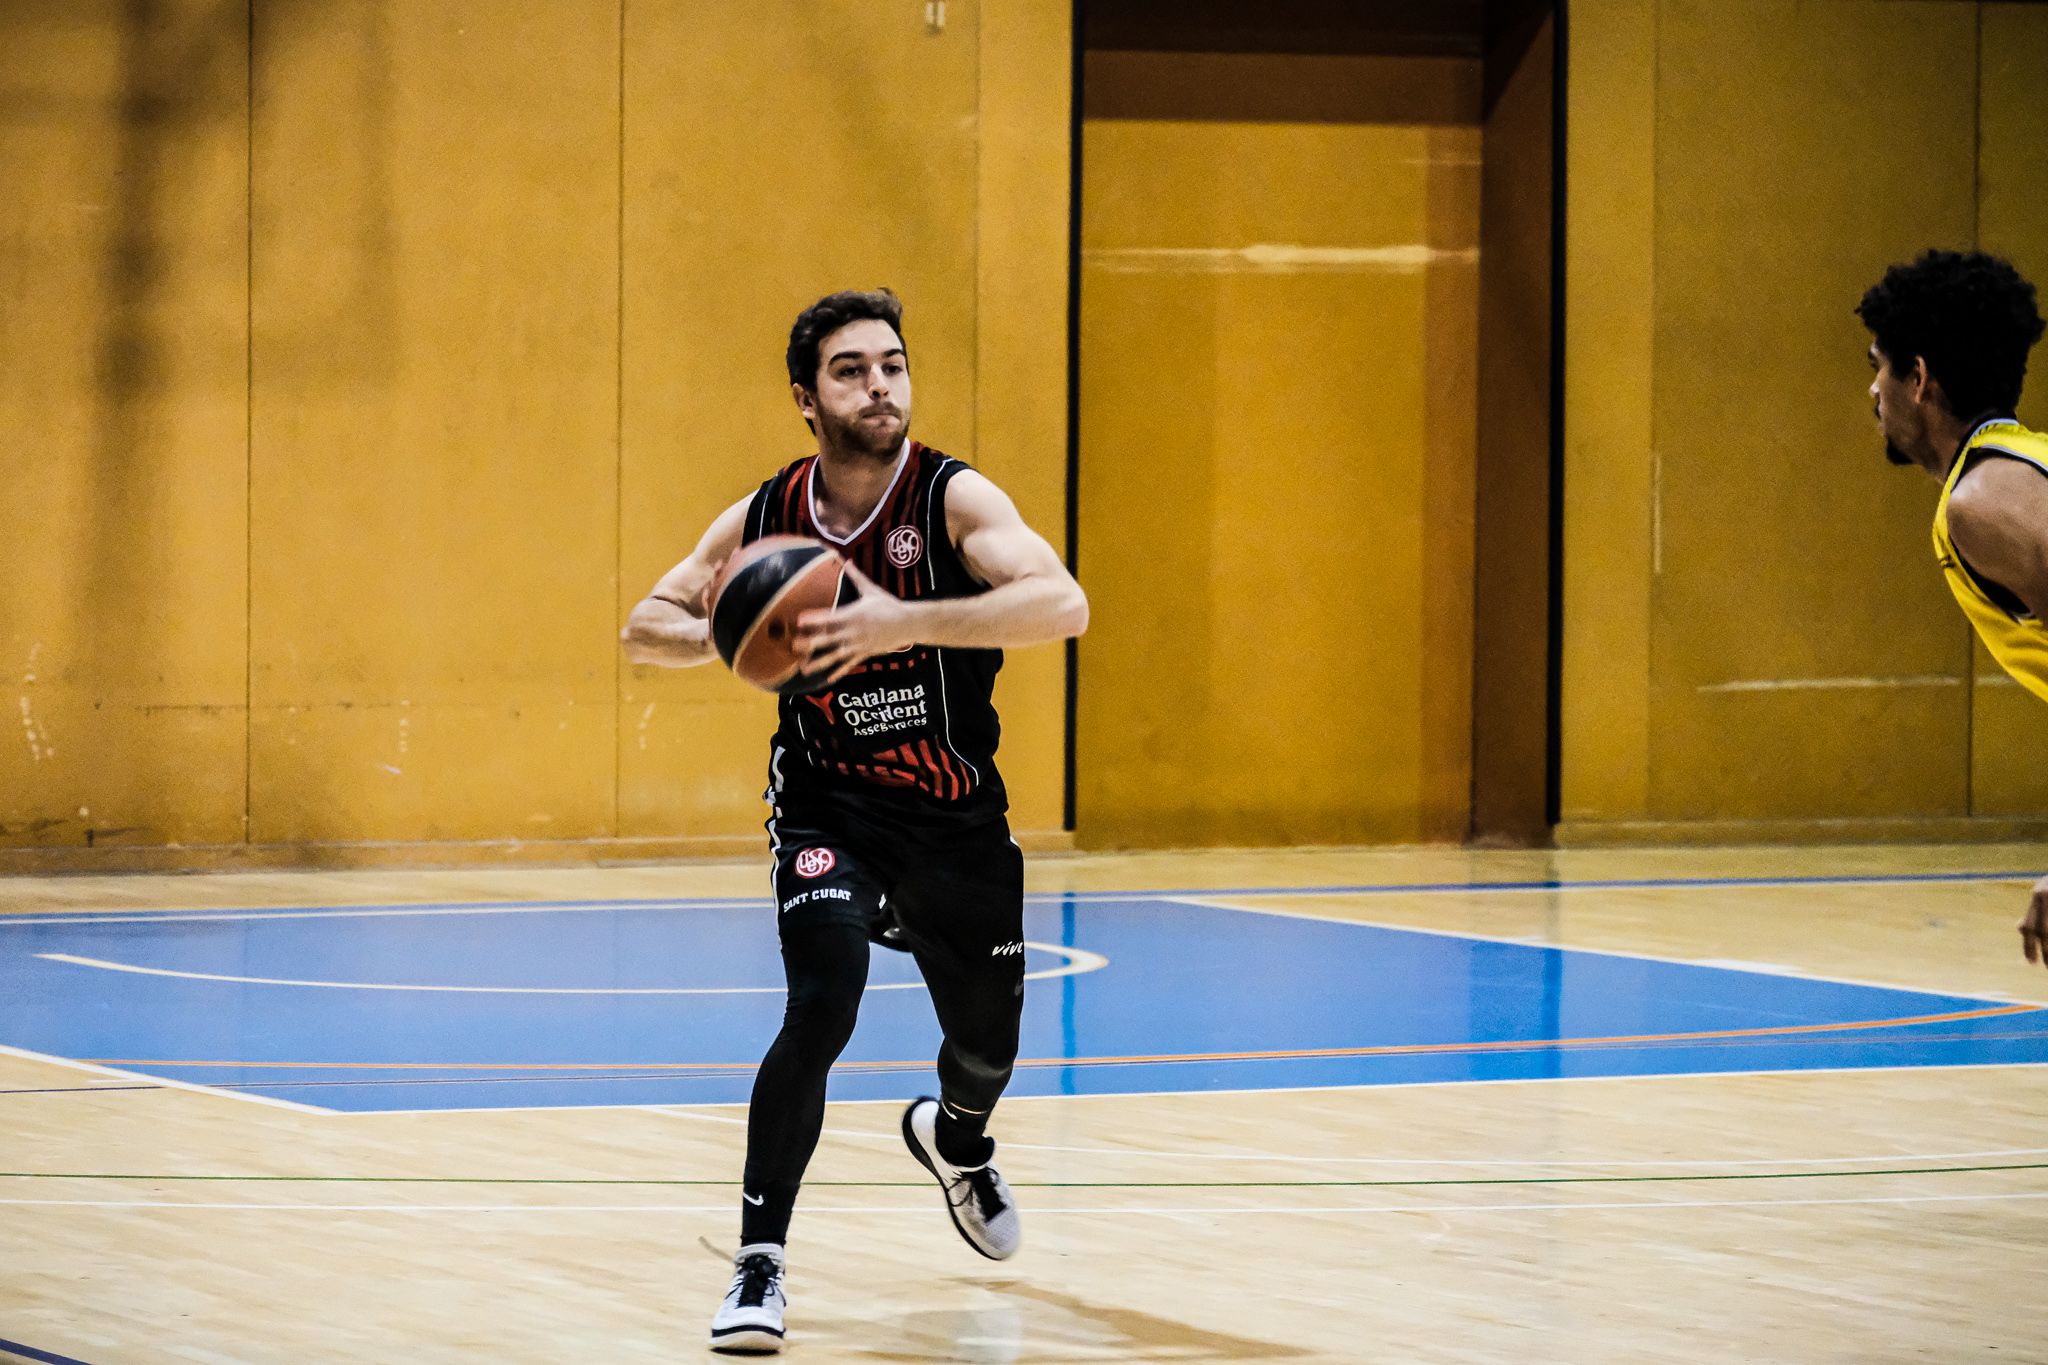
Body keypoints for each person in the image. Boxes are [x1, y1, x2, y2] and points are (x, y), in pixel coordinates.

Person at [621, 287, 1088, 1353]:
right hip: (829, 805)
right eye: (849, 369)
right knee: (821, 998)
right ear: (806, 397)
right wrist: (736, 633)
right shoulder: (766, 517)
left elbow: (1063, 604)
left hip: (954, 820)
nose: (878, 384)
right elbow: (645, 624)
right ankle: (759, 1264)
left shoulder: (953, 500)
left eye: (891, 363)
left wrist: (899, 620)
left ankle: (955, 1142)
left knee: (984, 1046)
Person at [1857, 249, 2048, 968]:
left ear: (1917, 378)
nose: (1871, 392)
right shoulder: (2019, 463)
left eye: (1877, 366)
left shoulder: (1983, 500)